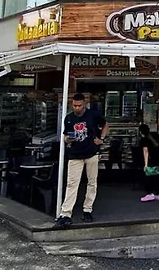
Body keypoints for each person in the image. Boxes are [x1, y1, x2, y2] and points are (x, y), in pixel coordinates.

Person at [56, 93, 109, 229]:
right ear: (72, 104)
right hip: (75, 154)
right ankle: (66, 213)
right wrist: (68, 139)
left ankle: (87, 209)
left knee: (92, 182)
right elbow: (65, 136)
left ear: (84, 104)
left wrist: (101, 139)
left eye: (79, 105)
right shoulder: (69, 118)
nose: (77, 108)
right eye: (75, 105)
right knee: (72, 184)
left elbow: (105, 124)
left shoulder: (93, 114)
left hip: (91, 153)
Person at [139, 124, 159, 202]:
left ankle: (150, 194)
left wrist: (145, 164)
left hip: (150, 161)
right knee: (156, 177)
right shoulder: (153, 137)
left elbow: (145, 151)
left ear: (140, 132)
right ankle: (157, 194)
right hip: (157, 161)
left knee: (148, 177)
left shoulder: (144, 140)